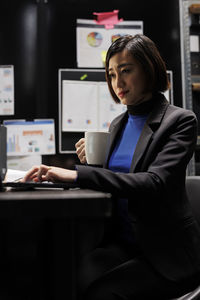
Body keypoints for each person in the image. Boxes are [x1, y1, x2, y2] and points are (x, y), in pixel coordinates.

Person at [22, 34, 200, 299]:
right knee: (59, 274)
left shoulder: (181, 121)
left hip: (166, 253)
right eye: (112, 74)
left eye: (126, 71)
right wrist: (90, 162)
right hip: (123, 243)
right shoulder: (118, 124)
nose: (118, 82)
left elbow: (153, 182)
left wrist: (76, 174)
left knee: (102, 293)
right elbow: (115, 177)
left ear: (149, 68)